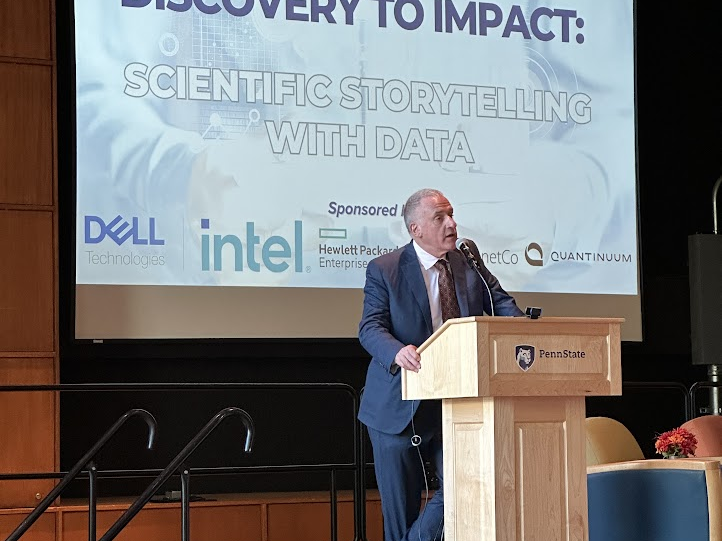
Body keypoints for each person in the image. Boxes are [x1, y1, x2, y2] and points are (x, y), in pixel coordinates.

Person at [358, 188, 523, 541]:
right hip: (399, 405)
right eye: (440, 218)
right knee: (400, 513)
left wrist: (527, 333)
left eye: (451, 214)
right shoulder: (386, 270)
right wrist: (397, 352)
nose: (452, 223)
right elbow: (370, 328)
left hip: (457, 403)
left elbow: (502, 304)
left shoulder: (468, 263)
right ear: (416, 229)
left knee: (465, 486)